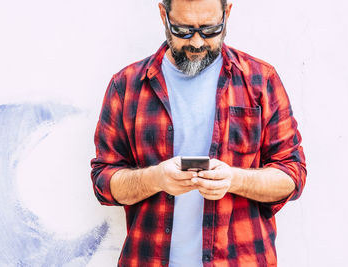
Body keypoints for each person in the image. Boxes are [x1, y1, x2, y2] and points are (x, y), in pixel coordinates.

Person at [91, 0, 307, 266]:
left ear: (227, 14)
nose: (196, 42)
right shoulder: (126, 85)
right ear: (163, 15)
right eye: (182, 30)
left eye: (210, 29)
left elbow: (292, 176)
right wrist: (155, 179)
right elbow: (103, 181)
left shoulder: (260, 80)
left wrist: (233, 180)